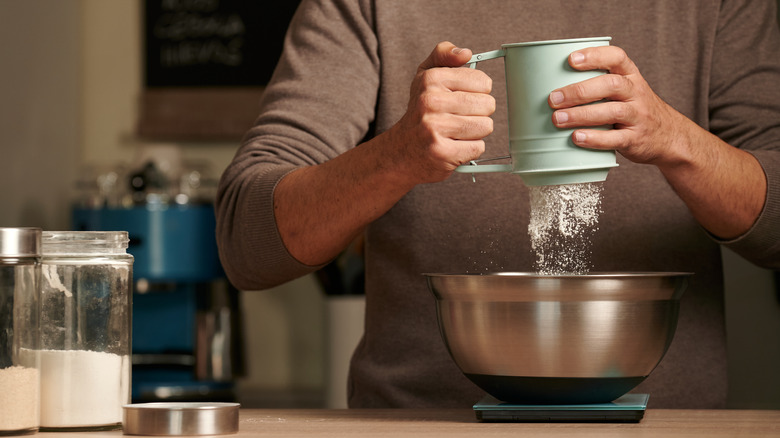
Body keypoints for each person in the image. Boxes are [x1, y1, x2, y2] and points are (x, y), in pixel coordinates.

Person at [216, 0, 780, 408]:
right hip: (417, 425)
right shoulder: (362, 5)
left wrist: (675, 140)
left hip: (672, 426)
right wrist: (398, 155)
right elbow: (248, 244)